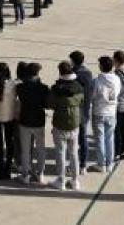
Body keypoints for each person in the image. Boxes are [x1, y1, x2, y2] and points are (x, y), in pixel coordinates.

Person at [47, 60, 84, 190]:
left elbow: (50, 104)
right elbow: (81, 102)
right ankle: (75, 181)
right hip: (74, 124)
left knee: (60, 153)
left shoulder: (57, 89)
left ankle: (61, 180)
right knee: (74, 153)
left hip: (60, 124)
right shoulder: (79, 87)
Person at [14, 62, 49, 184]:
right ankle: (41, 173)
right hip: (39, 121)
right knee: (40, 149)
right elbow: (46, 104)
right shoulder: (44, 88)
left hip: (25, 121)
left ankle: (25, 174)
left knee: (25, 150)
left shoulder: (21, 88)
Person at [90, 55, 120, 173]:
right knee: (109, 138)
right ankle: (109, 163)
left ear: (101, 66)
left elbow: (93, 95)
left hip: (99, 111)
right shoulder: (116, 79)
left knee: (100, 139)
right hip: (112, 112)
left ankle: (101, 163)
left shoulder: (97, 80)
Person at [0, 62, 18, 179]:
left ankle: (0, 166)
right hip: (10, 117)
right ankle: (8, 167)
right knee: (9, 143)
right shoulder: (13, 84)